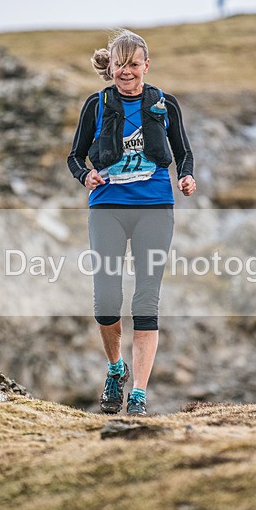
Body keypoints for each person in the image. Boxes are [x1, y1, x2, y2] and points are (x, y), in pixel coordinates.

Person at [67, 29, 196, 415]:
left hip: (155, 207)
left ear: (146, 65)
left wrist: (186, 177)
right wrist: (84, 176)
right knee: (106, 300)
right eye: (121, 65)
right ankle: (115, 369)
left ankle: (138, 393)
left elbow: (184, 153)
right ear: (112, 66)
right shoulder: (97, 104)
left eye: (134, 65)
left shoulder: (164, 103)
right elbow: (75, 156)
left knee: (145, 299)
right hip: (107, 206)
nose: (127, 72)